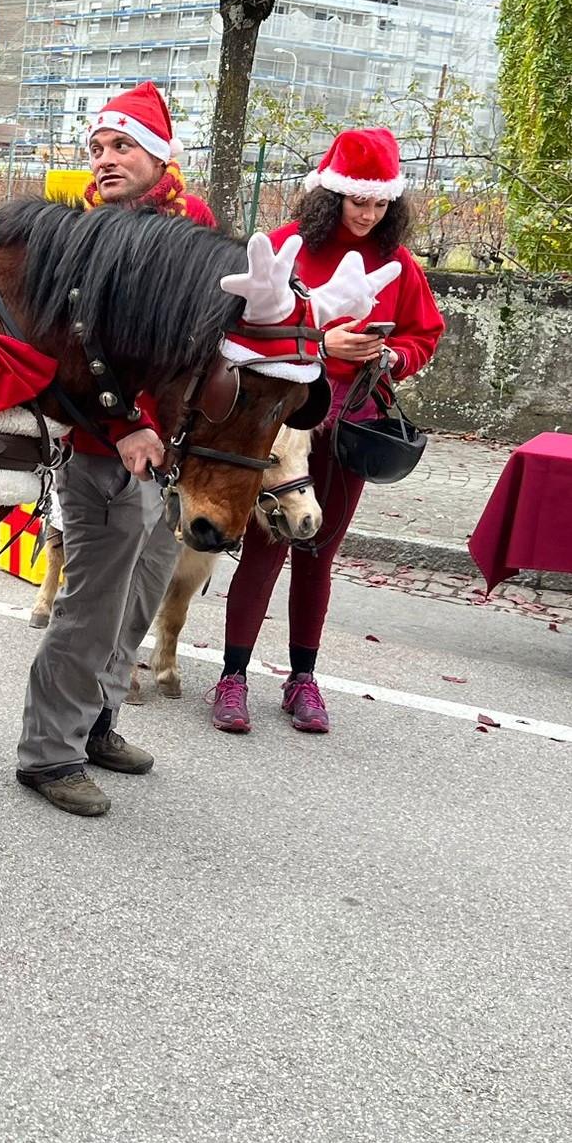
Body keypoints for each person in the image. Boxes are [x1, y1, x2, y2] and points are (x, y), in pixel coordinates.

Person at [16, 82, 216, 818]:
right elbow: (77, 345)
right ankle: (49, 753)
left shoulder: (192, 223)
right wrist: (130, 420)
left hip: (168, 454)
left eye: (120, 146)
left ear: (159, 155)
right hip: (104, 446)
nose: (103, 160)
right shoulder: (89, 233)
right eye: (96, 148)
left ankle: (97, 724)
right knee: (91, 607)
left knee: (139, 598)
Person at [209, 128, 444, 735]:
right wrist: (321, 341)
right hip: (286, 424)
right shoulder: (286, 246)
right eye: (356, 201)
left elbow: (425, 333)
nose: (367, 214)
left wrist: (394, 358)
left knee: (319, 553)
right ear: (330, 195)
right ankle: (232, 677)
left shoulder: (399, 264)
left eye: (379, 204)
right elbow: (243, 327)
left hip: (352, 427)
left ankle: (302, 681)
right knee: (265, 550)